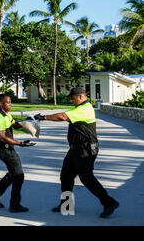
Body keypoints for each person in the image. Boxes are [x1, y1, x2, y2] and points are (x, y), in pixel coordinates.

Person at [34, 87, 120, 218]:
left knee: (87, 178)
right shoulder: (79, 108)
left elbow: (63, 116)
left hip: (86, 149)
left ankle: (109, 203)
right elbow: (66, 114)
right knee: (66, 176)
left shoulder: (85, 109)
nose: (72, 101)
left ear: (80, 97)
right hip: (75, 149)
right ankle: (67, 204)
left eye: (73, 98)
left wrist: (44, 117)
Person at [0, 94, 36, 213]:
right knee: (19, 176)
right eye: (8, 102)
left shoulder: (6, 115)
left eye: (10, 102)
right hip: (5, 150)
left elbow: (16, 125)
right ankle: (14, 204)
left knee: (13, 174)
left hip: (8, 149)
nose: (10, 104)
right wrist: (20, 143)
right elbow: (2, 137)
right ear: (0, 104)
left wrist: (30, 121)